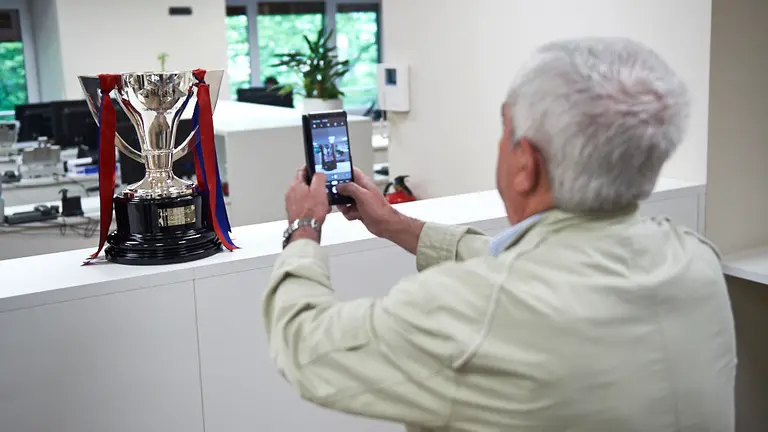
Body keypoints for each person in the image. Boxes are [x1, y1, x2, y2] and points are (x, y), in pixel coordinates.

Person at [264, 37, 736, 431]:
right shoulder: (696, 262)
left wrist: (304, 227)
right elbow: (524, 265)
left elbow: (308, 348)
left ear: (526, 165)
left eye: (503, 132)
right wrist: (393, 223)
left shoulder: (466, 309)